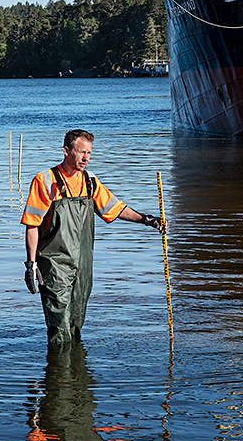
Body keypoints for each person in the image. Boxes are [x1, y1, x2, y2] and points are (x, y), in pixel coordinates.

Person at [21, 129, 162, 349]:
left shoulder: (90, 181)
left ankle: (78, 379)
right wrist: (31, 265)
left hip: (83, 265)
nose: (86, 158)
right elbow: (32, 224)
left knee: (76, 325)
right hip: (55, 265)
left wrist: (146, 219)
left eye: (89, 153)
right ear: (67, 151)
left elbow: (115, 208)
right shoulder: (45, 181)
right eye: (81, 152)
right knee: (59, 328)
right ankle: (59, 376)